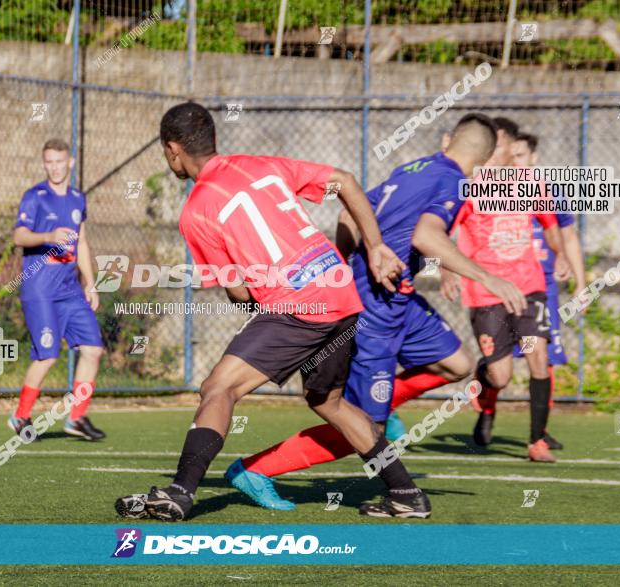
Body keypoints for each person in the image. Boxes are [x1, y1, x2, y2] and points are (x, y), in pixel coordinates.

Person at [115, 101, 430, 521]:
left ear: (173, 149)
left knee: (218, 388)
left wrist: (252, 289)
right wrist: (375, 248)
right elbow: (346, 182)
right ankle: (406, 494)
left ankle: (179, 492)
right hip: (340, 294)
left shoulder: (196, 212)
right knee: (328, 401)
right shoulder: (259, 165)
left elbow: (240, 291)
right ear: (213, 138)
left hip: (299, 305)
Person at [226, 114, 521, 511]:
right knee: (367, 429)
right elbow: (426, 235)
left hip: (400, 299)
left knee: (456, 363)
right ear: (486, 162)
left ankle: (376, 405)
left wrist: (344, 262)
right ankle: (255, 468)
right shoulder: (453, 182)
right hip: (375, 309)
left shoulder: (413, 168)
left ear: (448, 139)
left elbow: (349, 211)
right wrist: (489, 278)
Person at [439, 117, 570, 462]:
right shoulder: (470, 186)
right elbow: (440, 229)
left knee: (538, 357)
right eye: (490, 147)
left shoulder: (531, 183)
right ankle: (485, 393)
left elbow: (551, 223)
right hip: (486, 293)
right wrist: (445, 271)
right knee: (501, 374)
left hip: (529, 289)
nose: (494, 153)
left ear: (512, 149)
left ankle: (537, 442)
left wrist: (560, 256)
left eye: (500, 147)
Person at [8, 138, 105, 441]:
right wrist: (49, 235)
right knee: (47, 356)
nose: (54, 167)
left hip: (70, 290)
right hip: (40, 290)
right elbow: (19, 237)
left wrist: (90, 282)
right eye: (49, 161)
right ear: (44, 162)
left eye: (59, 161)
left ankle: (76, 419)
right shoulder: (34, 197)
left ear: (70, 162)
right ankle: (20, 416)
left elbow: (83, 242)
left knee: (92, 350)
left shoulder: (78, 198)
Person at [509, 131, 587, 450]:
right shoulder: (494, 193)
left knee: (542, 357)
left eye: (521, 156)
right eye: (509, 156)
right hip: (504, 285)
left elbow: (567, 238)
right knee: (500, 361)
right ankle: (485, 405)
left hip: (543, 287)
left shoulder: (549, 191)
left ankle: (538, 431)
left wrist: (581, 284)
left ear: (533, 157)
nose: (515, 163)